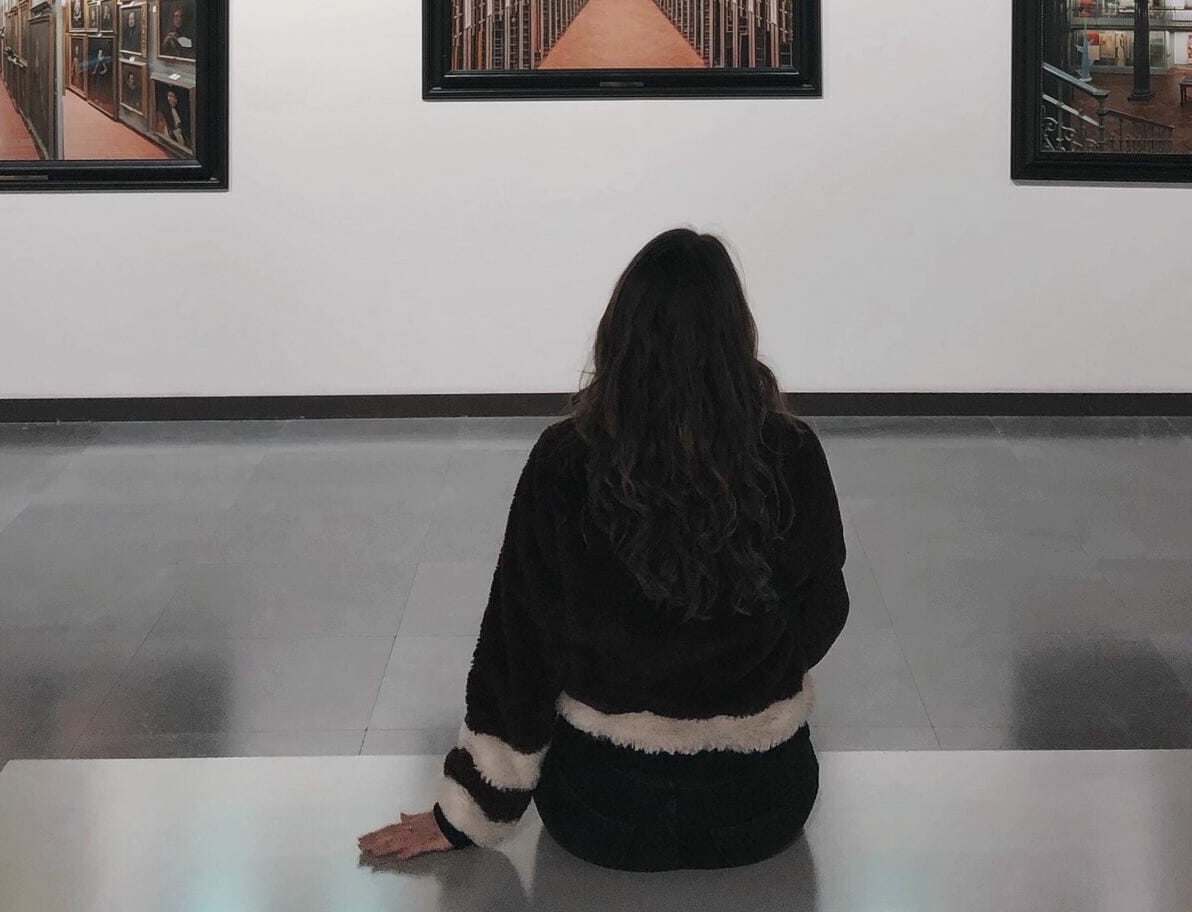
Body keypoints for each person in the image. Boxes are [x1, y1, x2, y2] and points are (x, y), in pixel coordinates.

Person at [358, 228, 848, 875]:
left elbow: (519, 647)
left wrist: (466, 813)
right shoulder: (791, 452)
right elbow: (824, 608)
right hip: (760, 808)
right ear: (738, 333)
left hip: (605, 811)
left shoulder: (566, 460)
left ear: (620, 333)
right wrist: (744, 675)